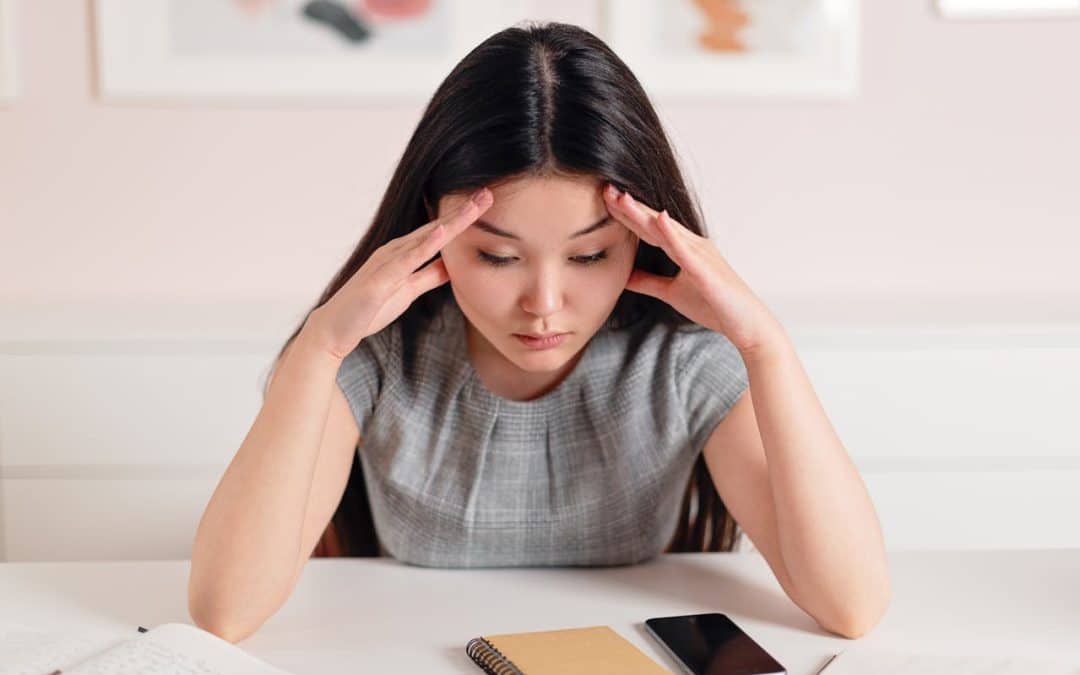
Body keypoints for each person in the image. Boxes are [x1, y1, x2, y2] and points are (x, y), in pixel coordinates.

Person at [188, 21, 891, 645]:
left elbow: (851, 605)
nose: (544, 304)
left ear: (643, 239)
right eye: (496, 255)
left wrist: (766, 348)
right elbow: (224, 612)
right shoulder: (380, 356)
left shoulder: (678, 361)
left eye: (590, 256)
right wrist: (318, 347)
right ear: (432, 226)